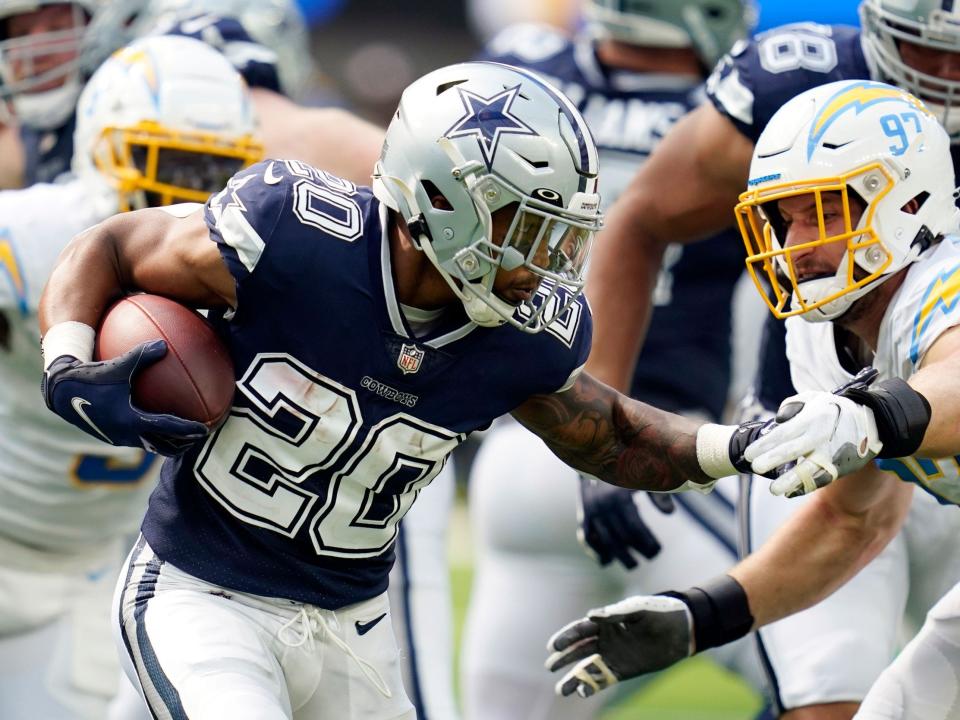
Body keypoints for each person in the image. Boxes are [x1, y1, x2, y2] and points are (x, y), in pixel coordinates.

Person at [37, 60, 783, 720]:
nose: (542, 263)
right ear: (441, 195)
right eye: (524, 226)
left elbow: (611, 435)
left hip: (353, 624)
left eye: (561, 236)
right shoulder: (296, 239)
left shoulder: (522, 333)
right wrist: (67, 359)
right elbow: (110, 246)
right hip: (201, 593)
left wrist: (740, 447)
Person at [578, 1, 960, 717]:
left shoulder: (941, 279)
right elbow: (853, 521)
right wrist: (703, 615)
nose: (798, 244)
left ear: (905, 204)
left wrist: (873, 417)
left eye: (825, 212)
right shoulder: (821, 333)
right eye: (786, 216)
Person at [460, 3, 767, 719]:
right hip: (662, 454)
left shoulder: (525, 79)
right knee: (834, 670)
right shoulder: (732, 111)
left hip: (520, 456)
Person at [0, 33, 263, 720]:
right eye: (169, 163)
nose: (188, 196)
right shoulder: (32, 234)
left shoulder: (252, 269)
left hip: (85, 569)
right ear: (104, 154)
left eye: (212, 174)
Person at [0, 0, 381, 189]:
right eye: (17, 32)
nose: (33, 53)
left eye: (55, 24)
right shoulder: (28, 132)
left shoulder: (161, 75)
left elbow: (308, 136)